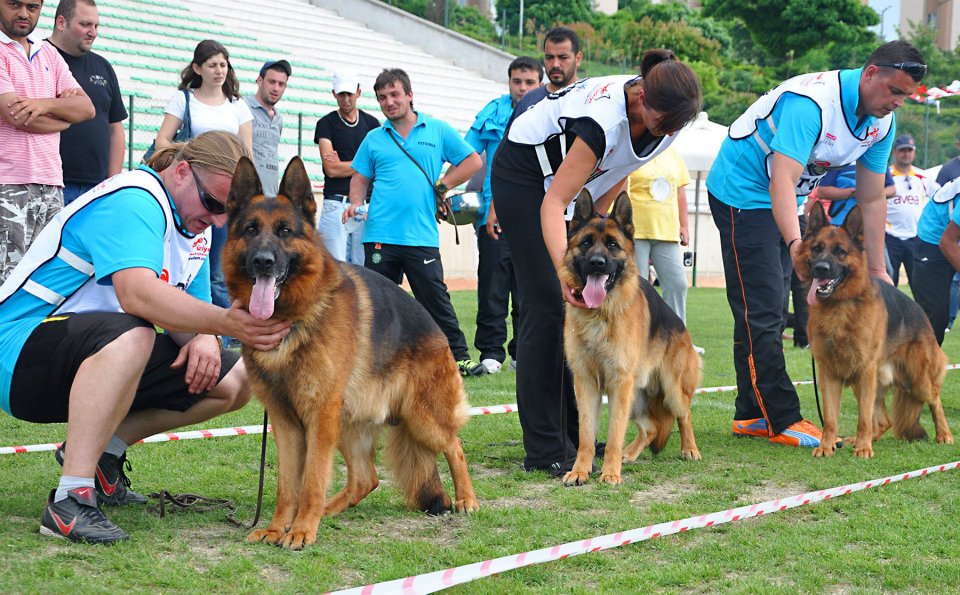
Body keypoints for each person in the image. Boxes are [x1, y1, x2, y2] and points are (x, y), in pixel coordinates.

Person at [0, 130, 292, 544]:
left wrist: (205, 337)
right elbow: (136, 294)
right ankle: (69, 502)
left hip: (86, 353)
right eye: (213, 203)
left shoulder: (195, 225)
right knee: (133, 332)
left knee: (237, 377)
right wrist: (225, 324)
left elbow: (192, 317)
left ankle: (103, 457)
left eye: (230, 210)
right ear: (182, 173)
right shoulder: (136, 199)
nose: (219, 220)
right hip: (16, 353)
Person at [490, 50, 702, 474]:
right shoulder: (602, 121)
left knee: (575, 309)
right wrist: (564, 270)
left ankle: (575, 435)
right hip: (525, 177)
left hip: (567, 184)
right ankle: (547, 447)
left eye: (676, 126)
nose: (670, 133)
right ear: (642, 98)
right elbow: (553, 202)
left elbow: (625, 165)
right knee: (549, 304)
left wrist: (598, 223)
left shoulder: (667, 121)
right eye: (666, 123)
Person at [706, 40, 925, 447]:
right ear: (871, 73)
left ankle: (751, 414)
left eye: (906, 96)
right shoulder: (812, 105)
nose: (897, 102)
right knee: (765, 308)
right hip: (742, 192)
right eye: (894, 91)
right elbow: (781, 180)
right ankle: (781, 417)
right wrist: (796, 244)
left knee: (763, 307)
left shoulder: (881, 123)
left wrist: (878, 268)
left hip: (785, 198)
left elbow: (872, 197)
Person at [344, 68, 486, 377]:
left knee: (435, 299)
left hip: (421, 235)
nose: (389, 102)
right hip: (379, 234)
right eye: (382, 97)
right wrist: (356, 203)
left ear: (409, 95)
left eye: (395, 95)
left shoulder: (436, 130)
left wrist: (444, 185)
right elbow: (359, 178)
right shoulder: (373, 138)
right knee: (376, 302)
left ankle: (458, 358)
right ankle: (372, 361)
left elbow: (473, 161)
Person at [154, 40, 253, 320]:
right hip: (195, 190)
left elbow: (247, 153)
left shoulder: (237, 104)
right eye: (212, 65)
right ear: (197, 68)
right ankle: (187, 317)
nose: (219, 70)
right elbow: (163, 139)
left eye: (223, 64)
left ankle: (220, 325)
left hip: (226, 196)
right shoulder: (184, 98)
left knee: (219, 267)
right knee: (189, 258)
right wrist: (194, 159)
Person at [0, 0, 95, 282]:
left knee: (41, 280)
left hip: (51, 185)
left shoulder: (48, 53)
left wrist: (41, 105)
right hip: (9, 184)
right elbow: (16, 115)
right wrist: (63, 116)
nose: (23, 14)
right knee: (7, 281)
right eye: (14, 4)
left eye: (32, 6)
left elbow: (86, 108)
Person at [465, 56, 543, 374]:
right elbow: (466, 152)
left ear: (540, 84)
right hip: (492, 215)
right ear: (508, 81)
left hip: (537, 214)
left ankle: (521, 353)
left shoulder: (551, 112)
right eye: (517, 81)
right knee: (492, 287)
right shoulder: (492, 112)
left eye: (529, 82)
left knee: (528, 289)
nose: (522, 88)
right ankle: (491, 353)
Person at [48, 0, 127, 206]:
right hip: (50, 182)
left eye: (96, 26)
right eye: (85, 24)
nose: (92, 32)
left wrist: (112, 182)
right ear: (61, 22)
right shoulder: (38, 57)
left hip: (96, 186)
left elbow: (115, 128)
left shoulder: (102, 66)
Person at [626, 145, 698, 336]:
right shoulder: (632, 150)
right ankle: (637, 337)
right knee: (637, 286)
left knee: (678, 283)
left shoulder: (673, 152)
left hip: (667, 231)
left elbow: (680, 192)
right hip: (635, 230)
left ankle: (677, 337)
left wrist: (684, 225)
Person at [315, 70, 380, 263]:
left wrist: (345, 165)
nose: (346, 99)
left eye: (349, 94)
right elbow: (331, 169)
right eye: (341, 94)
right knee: (332, 267)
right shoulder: (326, 123)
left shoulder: (372, 124)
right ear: (334, 94)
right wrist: (365, 164)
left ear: (358, 93)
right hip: (335, 202)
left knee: (365, 267)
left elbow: (378, 163)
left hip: (364, 203)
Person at [912, 174, 960, 345]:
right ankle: (923, 368)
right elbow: (947, 242)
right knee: (936, 316)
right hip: (932, 243)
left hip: (953, 239)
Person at [243, 59, 290, 197]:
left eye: (281, 84)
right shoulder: (243, 106)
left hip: (270, 195)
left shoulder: (279, 118)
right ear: (259, 81)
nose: (276, 88)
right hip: (246, 194)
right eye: (272, 82)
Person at [886, 134, 927, 288]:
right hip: (890, 236)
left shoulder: (922, 176)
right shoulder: (887, 175)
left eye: (910, 150)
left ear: (914, 152)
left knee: (920, 284)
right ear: (895, 152)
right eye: (902, 150)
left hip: (915, 237)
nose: (906, 154)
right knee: (890, 282)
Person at [816, 163, 895, 226]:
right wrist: (853, 192)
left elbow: (892, 189)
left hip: (871, 223)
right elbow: (822, 191)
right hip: (841, 224)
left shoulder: (878, 161)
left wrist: (872, 194)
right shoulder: (840, 161)